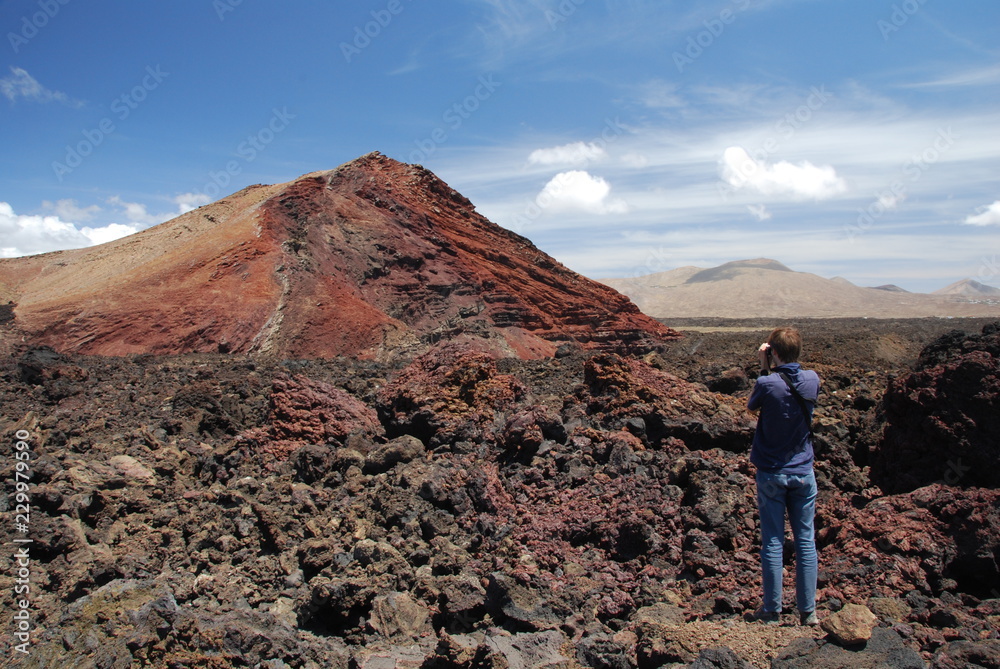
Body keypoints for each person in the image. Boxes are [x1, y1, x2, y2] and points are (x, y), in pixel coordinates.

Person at [746, 327, 820, 626]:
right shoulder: (814, 379)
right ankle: (809, 612)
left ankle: (772, 611)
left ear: (772, 352)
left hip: (772, 473)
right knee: (805, 540)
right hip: (803, 471)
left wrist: (764, 368)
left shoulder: (768, 383)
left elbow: (752, 407)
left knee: (773, 541)